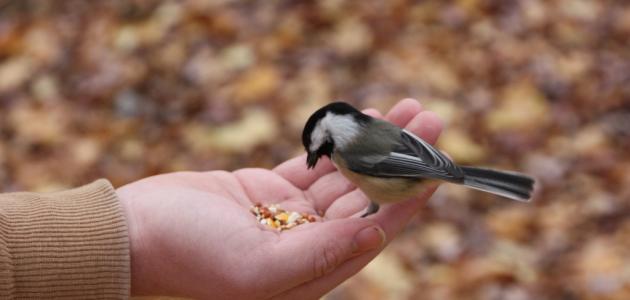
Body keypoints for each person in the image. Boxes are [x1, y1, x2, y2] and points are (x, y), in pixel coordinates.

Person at [0, 99, 443, 299]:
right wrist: (134, 234)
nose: (318, 160)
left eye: (318, 149)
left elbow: (399, 163)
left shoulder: (353, 149)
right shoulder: (351, 145)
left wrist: (130, 236)